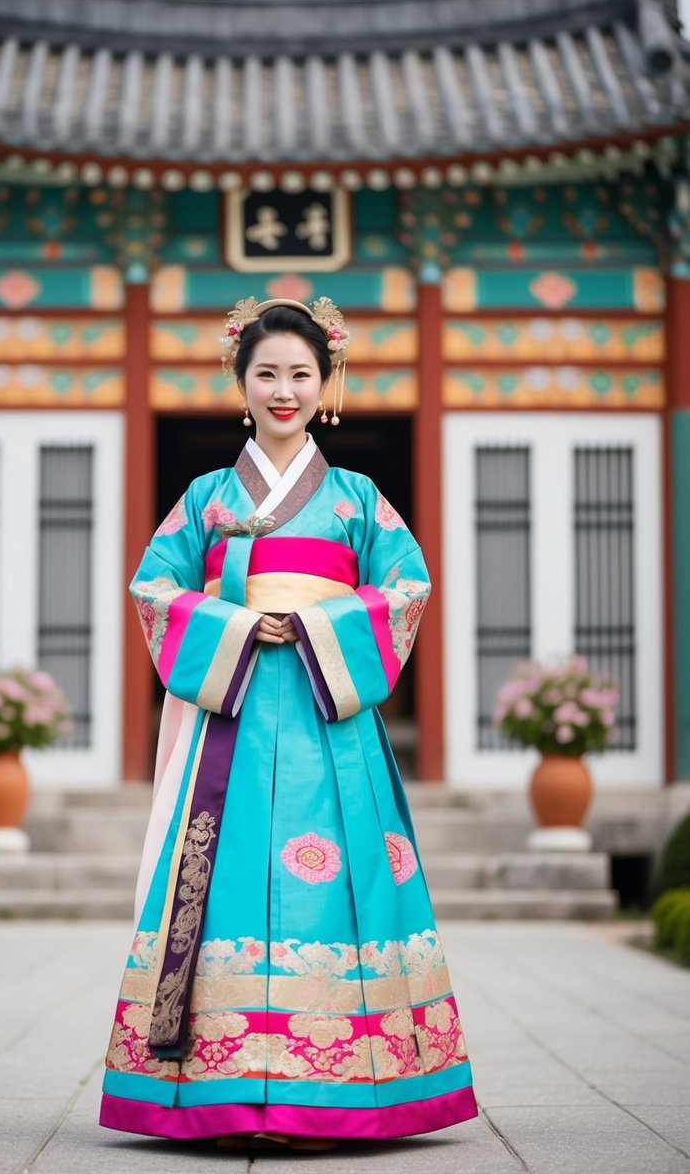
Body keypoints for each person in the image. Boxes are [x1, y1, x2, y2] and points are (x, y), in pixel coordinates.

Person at [99, 296, 478, 1148]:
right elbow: (153, 590)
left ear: (324, 384)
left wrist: (315, 625)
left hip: (325, 715)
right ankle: (216, 1087)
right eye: (265, 373)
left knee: (338, 887)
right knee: (223, 882)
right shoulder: (204, 497)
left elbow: (406, 589)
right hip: (229, 721)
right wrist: (233, 625)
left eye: (299, 375)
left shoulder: (356, 496)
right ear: (240, 381)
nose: (282, 390)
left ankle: (345, 1084)